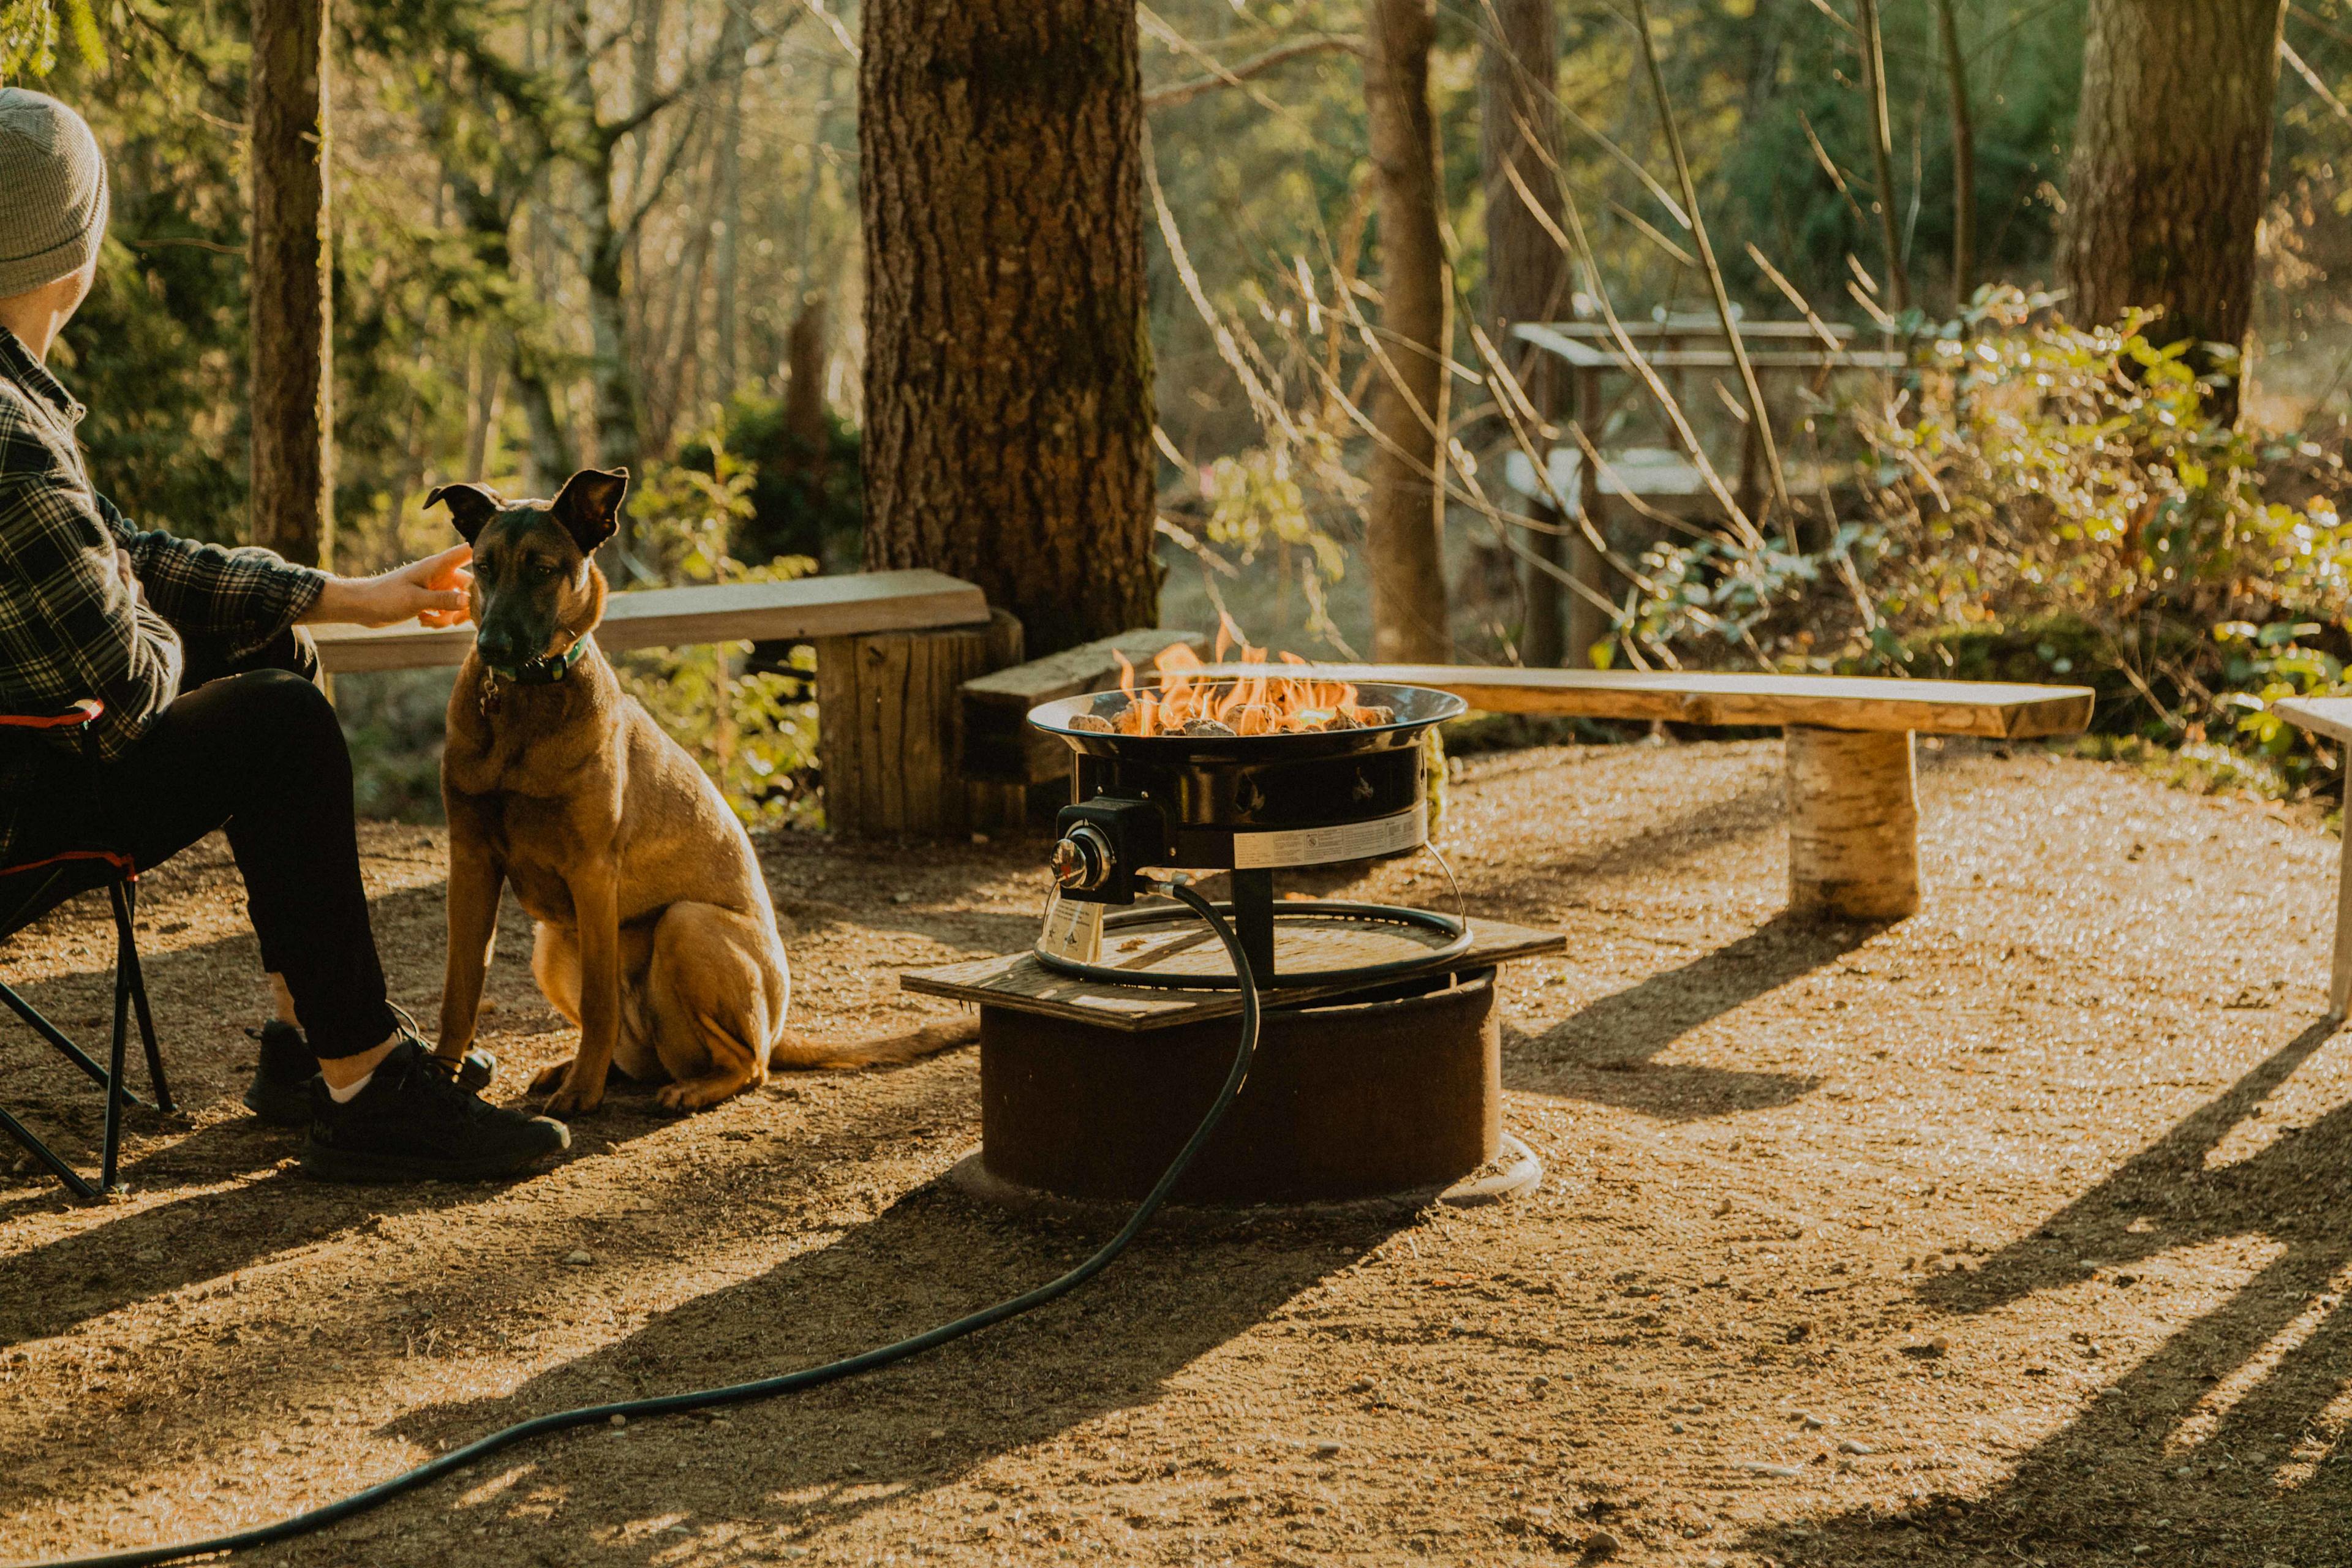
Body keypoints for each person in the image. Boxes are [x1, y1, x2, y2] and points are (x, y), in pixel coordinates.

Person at [0, 86, 568, 1181]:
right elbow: (121, 695)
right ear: (76, 259)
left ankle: (310, 1047)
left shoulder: (16, 408)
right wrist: (135, 607)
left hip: (22, 744)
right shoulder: (9, 443)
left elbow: (128, 550)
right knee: (281, 721)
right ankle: (366, 1087)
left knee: (271, 649)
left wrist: (352, 595)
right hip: (21, 794)